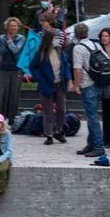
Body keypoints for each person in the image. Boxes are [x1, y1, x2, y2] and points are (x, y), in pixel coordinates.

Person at [32, 14, 70, 146]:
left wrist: (69, 79)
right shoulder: (41, 53)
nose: (57, 41)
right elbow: (32, 66)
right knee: (48, 111)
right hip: (47, 85)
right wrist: (38, 78)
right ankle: (49, 134)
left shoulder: (60, 52)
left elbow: (65, 66)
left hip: (60, 84)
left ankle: (58, 130)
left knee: (61, 109)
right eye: (55, 39)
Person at [69, 24, 105, 158]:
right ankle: (91, 144)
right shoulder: (95, 45)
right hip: (98, 83)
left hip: (87, 84)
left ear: (76, 34)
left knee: (92, 117)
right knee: (92, 115)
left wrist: (77, 85)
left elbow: (77, 69)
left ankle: (98, 146)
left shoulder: (78, 48)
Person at [0, 17, 26, 125]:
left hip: (16, 70)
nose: (13, 28)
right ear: (7, 27)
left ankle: (13, 121)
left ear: (18, 27)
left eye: (15, 26)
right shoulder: (1, 38)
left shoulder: (21, 38)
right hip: (3, 70)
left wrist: (9, 41)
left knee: (14, 96)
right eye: (11, 26)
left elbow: (15, 50)